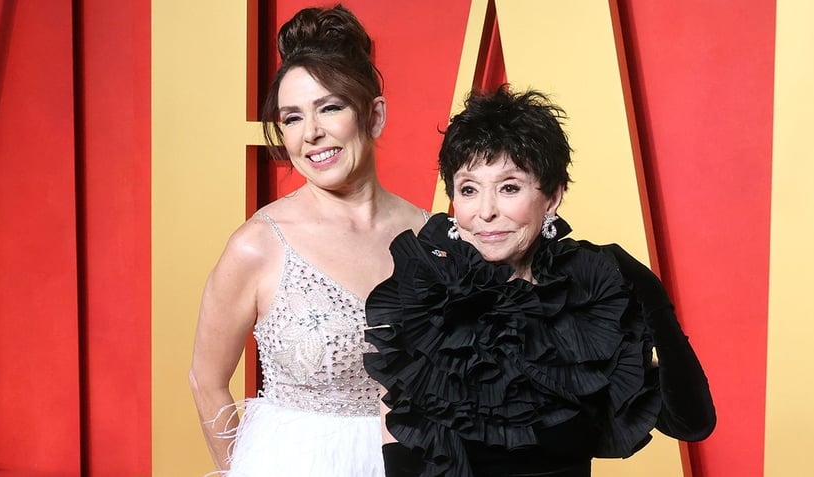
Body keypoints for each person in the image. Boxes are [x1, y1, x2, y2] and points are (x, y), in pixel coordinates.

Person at [363, 86, 716, 476]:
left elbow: (692, 422)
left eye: (509, 187)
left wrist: (652, 298)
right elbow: (402, 453)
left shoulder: (592, 302)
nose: (485, 211)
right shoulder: (425, 299)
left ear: (551, 197)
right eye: (468, 190)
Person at [188, 5, 428, 476]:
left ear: (373, 116)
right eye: (292, 118)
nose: (311, 134)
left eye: (330, 107)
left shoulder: (432, 235)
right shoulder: (259, 245)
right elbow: (207, 379)